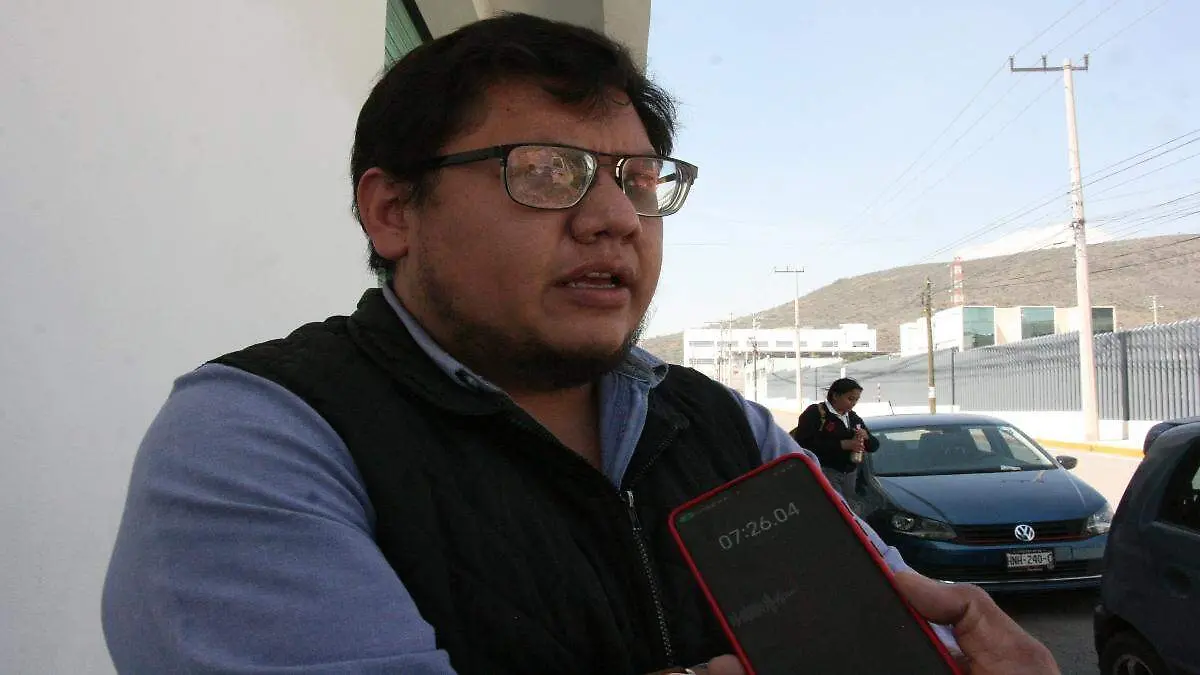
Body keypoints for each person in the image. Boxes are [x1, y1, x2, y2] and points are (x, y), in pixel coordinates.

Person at [100, 12, 1059, 675]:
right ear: (393, 211)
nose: (616, 219)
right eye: (547, 171)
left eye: (637, 180)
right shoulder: (262, 437)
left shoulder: (726, 427)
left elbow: (899, 635)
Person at [791, 377, 879, 510]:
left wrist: (866, 437)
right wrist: (842, 445)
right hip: (824, 471)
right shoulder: (815, 413)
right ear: (836, 396)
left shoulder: (853, 418)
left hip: (849, 474)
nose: (853, 403)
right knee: (833, 508)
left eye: (856, 400)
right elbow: (805, 444)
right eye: (850, 399)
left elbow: (874, 445)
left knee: (848, 509)